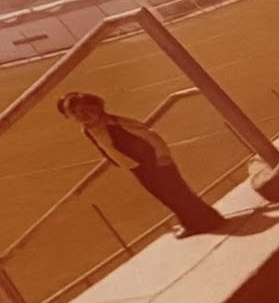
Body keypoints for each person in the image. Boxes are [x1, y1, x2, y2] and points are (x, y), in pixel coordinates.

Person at [58, 90, 228, 236]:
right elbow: (105, 148)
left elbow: (150, 135)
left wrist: (162, 155)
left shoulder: (116, 122)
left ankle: (205, 222)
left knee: (179, 193)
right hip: (137, 167)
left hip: (156, 162)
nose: (82, 115)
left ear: (97, 107)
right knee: (165, 197)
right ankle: (195, 222)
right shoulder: (87, 131)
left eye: (86, 109)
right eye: (75, 113)